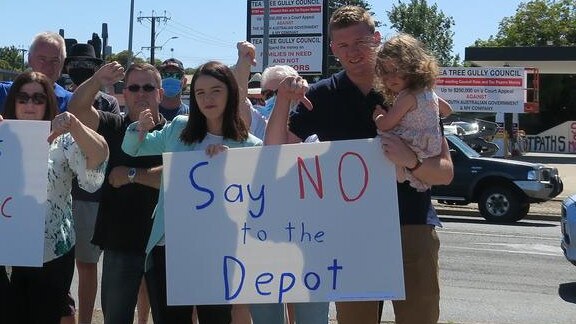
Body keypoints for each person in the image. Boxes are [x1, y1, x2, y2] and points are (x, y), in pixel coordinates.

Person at [264, 5, 453, 324]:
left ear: (377, 38)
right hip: (350, 234)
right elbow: (275, 151)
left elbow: (445, 171)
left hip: (412, 223)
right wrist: (283, 100)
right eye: (343, 45)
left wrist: (412, 160)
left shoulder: (411, 90)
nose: (353, 52)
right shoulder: (323, 95)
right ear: (332, 49)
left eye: (361, 42)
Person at [122, 60, 262, 323]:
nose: (207, 98)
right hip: (169, 247)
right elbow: (133, 148)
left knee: (216, 318)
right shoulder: (178, 129)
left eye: (216, 90)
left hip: (221, 251)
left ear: (230, 92)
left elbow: (258, 200)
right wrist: (139, 127)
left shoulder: (249, 146)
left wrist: (232, 167)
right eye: (200, 92)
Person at [0, 70, 108, 323]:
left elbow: (98, 160)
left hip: (49, 255)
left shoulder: (63, 142)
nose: (29, 105)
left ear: (48, 103)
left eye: (38, 99)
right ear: (13, 101)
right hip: (4, 252)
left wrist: (76, 126)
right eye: (23, 98)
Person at [67, 61, 166, 324]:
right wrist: (97, 79)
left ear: (160, 93)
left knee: (172, 318)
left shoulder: (175, 132)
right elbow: (76, 109)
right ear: (124, 93)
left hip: (166, 243)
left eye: (148, 87)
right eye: (133, 87)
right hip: (120, 242)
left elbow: (175, 177)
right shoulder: (113, 125)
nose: (141, 93)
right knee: (116, 318)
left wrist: (132, 174)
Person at [63, 42, 122, 324]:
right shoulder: (52, 94)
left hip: (89, 193)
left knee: (86, 264)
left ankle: (84, 320)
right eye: (74, 64)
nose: (79, 69)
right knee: (56, 264)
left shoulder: (106, 102)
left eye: (86, 66)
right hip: (58, 191)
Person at [373, 33, 452, 192]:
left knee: (384, 138)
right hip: (432, 145)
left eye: (396, 69)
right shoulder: (428, 92)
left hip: (414, 145)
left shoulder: (407, 96)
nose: (391, 78)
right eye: (386, 72)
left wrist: (379, 116)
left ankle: (401, 172)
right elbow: (448, 110)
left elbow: (386, 125)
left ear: (413, 68)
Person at [0, 32, 72, 113]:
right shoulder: (4, 93)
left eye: (55, 61)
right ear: (30, 60)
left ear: (63, 63)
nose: (48, 66)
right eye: (42, 59)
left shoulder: (72, 103)